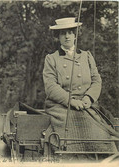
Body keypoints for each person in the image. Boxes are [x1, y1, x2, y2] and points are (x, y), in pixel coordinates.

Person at [43, 17, 118, 158]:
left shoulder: (87, 56)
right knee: (64, 135)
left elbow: (96, 81)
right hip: (62, 106)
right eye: (63, 33)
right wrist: (70, 100)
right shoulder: (51, 59)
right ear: (58, 37)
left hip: (87, 105)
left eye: (70, 32)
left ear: (75, 35)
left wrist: (88, 98)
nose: (67, 36)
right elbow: (50, 86)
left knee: (101, 132)